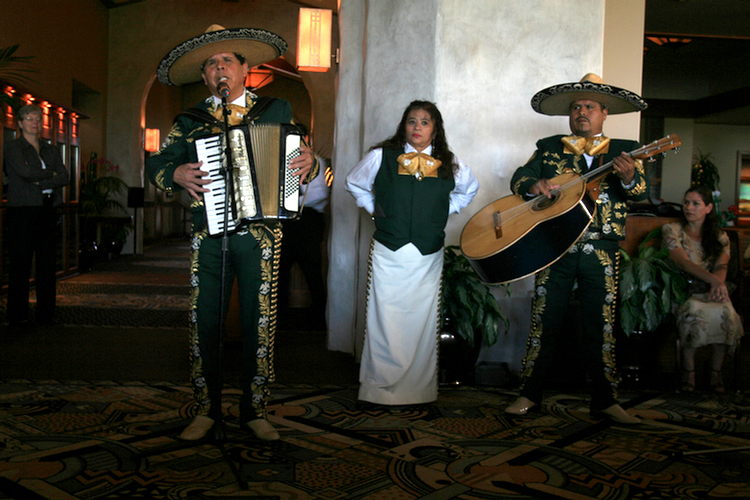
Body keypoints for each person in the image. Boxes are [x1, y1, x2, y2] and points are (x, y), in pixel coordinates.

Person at [146, 25, 317, 442]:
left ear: (245, 70)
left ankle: (254, 410)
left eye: (227, 60)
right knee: (206, 320)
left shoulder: (277, 109)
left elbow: (301, 159)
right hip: (209, 234)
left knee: (259, 322)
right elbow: (157, 164)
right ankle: (206, 409)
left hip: (262, 236)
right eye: (211, 64)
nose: (219, 67)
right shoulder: (189, 120)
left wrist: (309, 163)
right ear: (205, 78)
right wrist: (175, 172)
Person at [505, 74, 649, 424]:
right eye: (575, 107)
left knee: (600, 324)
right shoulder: (550, 146)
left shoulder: (624, 150)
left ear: (604, 114)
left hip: (601, 249)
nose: (581, 112)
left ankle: (605, 400)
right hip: (554, 247)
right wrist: (534, 185)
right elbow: (519, 179)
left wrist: (629, 177)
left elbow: (640, 191)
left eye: (589, 107)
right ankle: (529, 394)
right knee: (544, 321)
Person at [346, 100, 479, 407]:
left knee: (420, 321)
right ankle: (378, 390)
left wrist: (444, 211)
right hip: (389, 251)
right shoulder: (381, 156)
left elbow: (469, 189)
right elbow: (354, 182)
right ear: (403, 125)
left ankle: (418, 390)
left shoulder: (449, 162)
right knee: (384, 319)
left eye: (425, 122)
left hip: (427, 254)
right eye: (412, 121)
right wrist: (376, 211)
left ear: (436, 129)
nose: (417, 127)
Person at [663, 185, 743, 393]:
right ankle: (688, 371)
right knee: (694, 313)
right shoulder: (672, 230)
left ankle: (715, 371)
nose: (689, 207)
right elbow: (683, 263)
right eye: (686, 202)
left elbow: (721, 265)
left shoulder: (720, 236)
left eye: (695, 203)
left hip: (712, 288)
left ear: (708, 208)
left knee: (727, 313)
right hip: (684, 290)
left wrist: (718, 284)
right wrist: (715, 281)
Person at [3, 104, 69, 327]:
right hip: (22, 211)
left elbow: (64, 176)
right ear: (20, 123)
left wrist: (42, 179)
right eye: (29, 118)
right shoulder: (13, 147)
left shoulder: (49, 149)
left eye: (38, 119)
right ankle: (17, 314)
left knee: (47, 265)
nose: (35, 123)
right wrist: (48, 175)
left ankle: (46, 314)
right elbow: (25, 172)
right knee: (20, 264)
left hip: (47, 209)